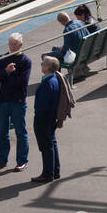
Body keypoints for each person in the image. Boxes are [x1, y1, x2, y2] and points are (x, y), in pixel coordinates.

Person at [0, 33, 30, 172]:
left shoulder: (25, 61)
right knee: (2, 132)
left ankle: (22, 161)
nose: (11, 47)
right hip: (2, 101)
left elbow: (21, 83)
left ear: (21, 45)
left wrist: (6, 76)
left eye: (14, 44)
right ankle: (1, 160)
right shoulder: (2, 59)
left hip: (17, 101)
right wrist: (6, 72)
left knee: (20, 132)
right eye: (10, 44)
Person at [32, 55, 63, 183]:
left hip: (44, 119)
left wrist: (38, 118)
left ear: (48, 67)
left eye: (43, 63)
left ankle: (47, 173)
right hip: (51, 118)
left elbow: (42, 106)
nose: (41, 64)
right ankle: (55, 170)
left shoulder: (47, 83)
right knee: (51, 143)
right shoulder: (55, 79)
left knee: (46, 146)